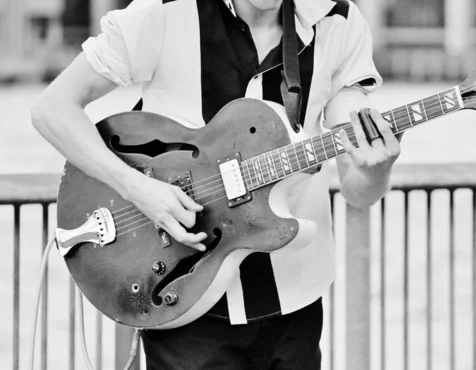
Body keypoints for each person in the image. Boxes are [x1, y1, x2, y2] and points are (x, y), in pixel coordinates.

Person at [31, 0, 402, 368]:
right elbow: (52, 109)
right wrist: (138, 189)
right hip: (182, 301)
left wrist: (377, 169)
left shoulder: (340, 19)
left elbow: (358, 191)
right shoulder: (162, 12)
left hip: (295, 305)